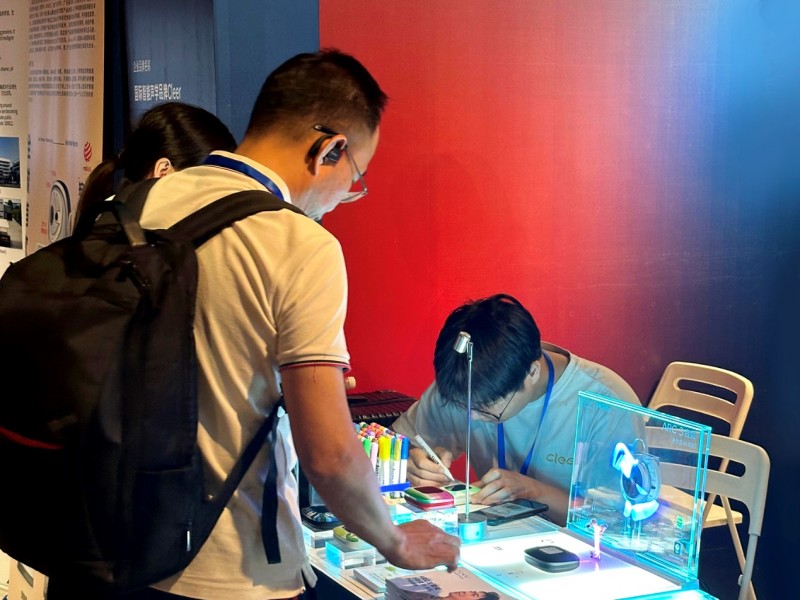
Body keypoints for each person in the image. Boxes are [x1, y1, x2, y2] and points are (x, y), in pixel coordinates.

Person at [57, 49, 459, 600]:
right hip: (225, 569)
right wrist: (395, 542)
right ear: (329, 149)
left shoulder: (140, 200)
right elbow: (330, 455)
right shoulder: (299, 244)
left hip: (103, 546)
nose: (346, 197)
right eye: (355, 177)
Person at [393, 293, 642, 526]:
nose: (471, 415)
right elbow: (396, 444)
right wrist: (412, 462)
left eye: (486, 408)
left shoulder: (606, 403)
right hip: (493, 537)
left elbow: (619, 517)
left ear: (532, 373)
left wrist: (533, 491)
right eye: (462, 406)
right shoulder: (464, 380)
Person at [75, 101, 237, 219]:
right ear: (163, 172)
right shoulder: (123, 243)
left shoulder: (111, 223)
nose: (214, 205)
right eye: (207, 189)